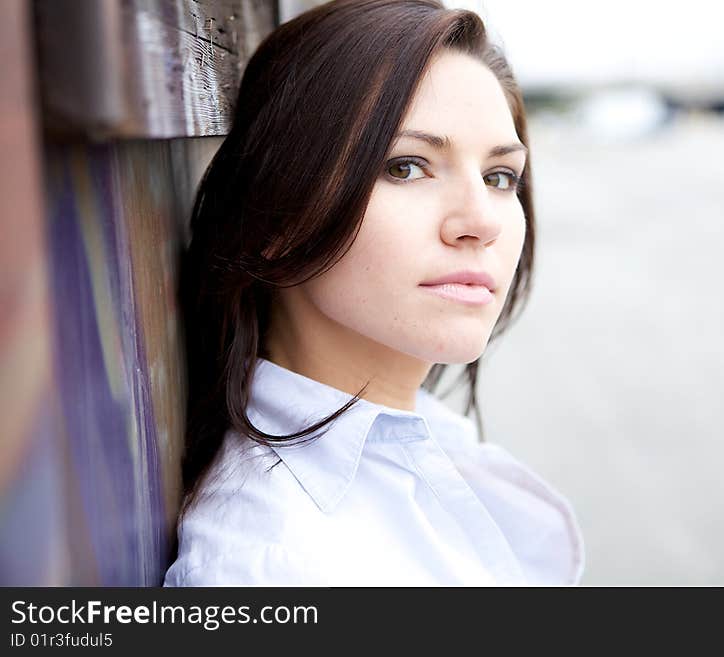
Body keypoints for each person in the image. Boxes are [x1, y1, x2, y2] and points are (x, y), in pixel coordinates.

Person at [163, 0, 585, 586]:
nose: (480, 221)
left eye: (498, 177)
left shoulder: (420, 443)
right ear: (274, 215)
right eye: (407, 167)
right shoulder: (276, 563)